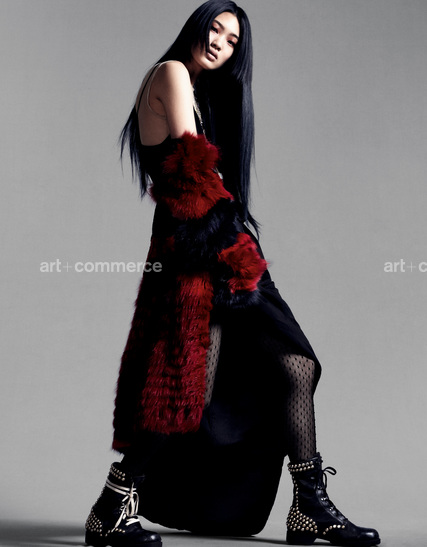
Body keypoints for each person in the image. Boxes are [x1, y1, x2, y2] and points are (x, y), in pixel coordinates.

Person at [85, 2, 381, 546]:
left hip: (224, 243)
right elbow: (195, 176)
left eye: (232, 39)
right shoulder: (171, 73)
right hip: (196, 250)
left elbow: (216, 181)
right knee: (185, 388)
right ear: (196, 27)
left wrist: (240, 245)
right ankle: (110, 506)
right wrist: (240, 256)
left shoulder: (207, 93)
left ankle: (309, 505)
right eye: (215, 28)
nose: (220, 42)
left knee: (296, 365)